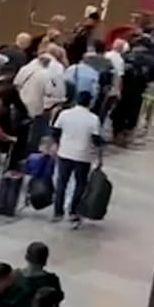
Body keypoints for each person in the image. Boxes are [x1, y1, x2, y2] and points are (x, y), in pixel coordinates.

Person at [51, 93, 104, 227]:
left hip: (65, 153)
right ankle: (73, 211)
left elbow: (55, 132)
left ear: (76, 101)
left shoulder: (64, 114)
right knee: (80, 184)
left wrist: (57, 146)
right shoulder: (93, 119)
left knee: (62, 182)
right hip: (83, 156)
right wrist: (99, 158)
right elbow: (97, 141)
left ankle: (58, 212)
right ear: (90, 103)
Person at [14, 241, 64, 307]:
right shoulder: (52, 280)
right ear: (45, 261)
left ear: (26, 257)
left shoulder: (14, 276)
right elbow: (58, 299)